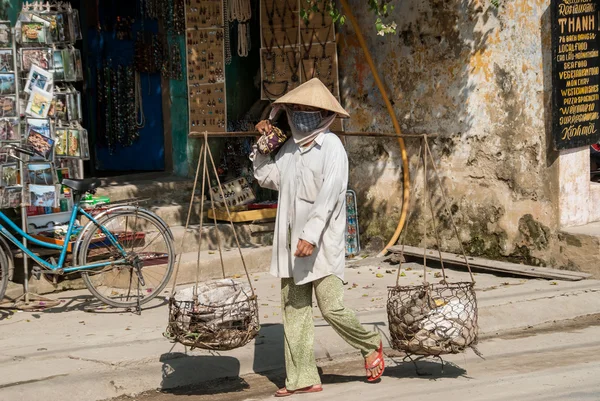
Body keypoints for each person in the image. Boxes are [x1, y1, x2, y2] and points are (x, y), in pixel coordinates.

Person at [251, 78, 384, 397]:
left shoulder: (332, 148)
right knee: (294, 311)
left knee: (331, 307)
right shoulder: (291, 150)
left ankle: (369, 344)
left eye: (308, 109)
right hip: (291, 246)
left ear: (323, 114)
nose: (301, 114)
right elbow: (268, 178)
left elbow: (332, 195)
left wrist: (311, 235)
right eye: (297, 109)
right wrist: (261, 148)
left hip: (322, 244)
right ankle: (301, 378)